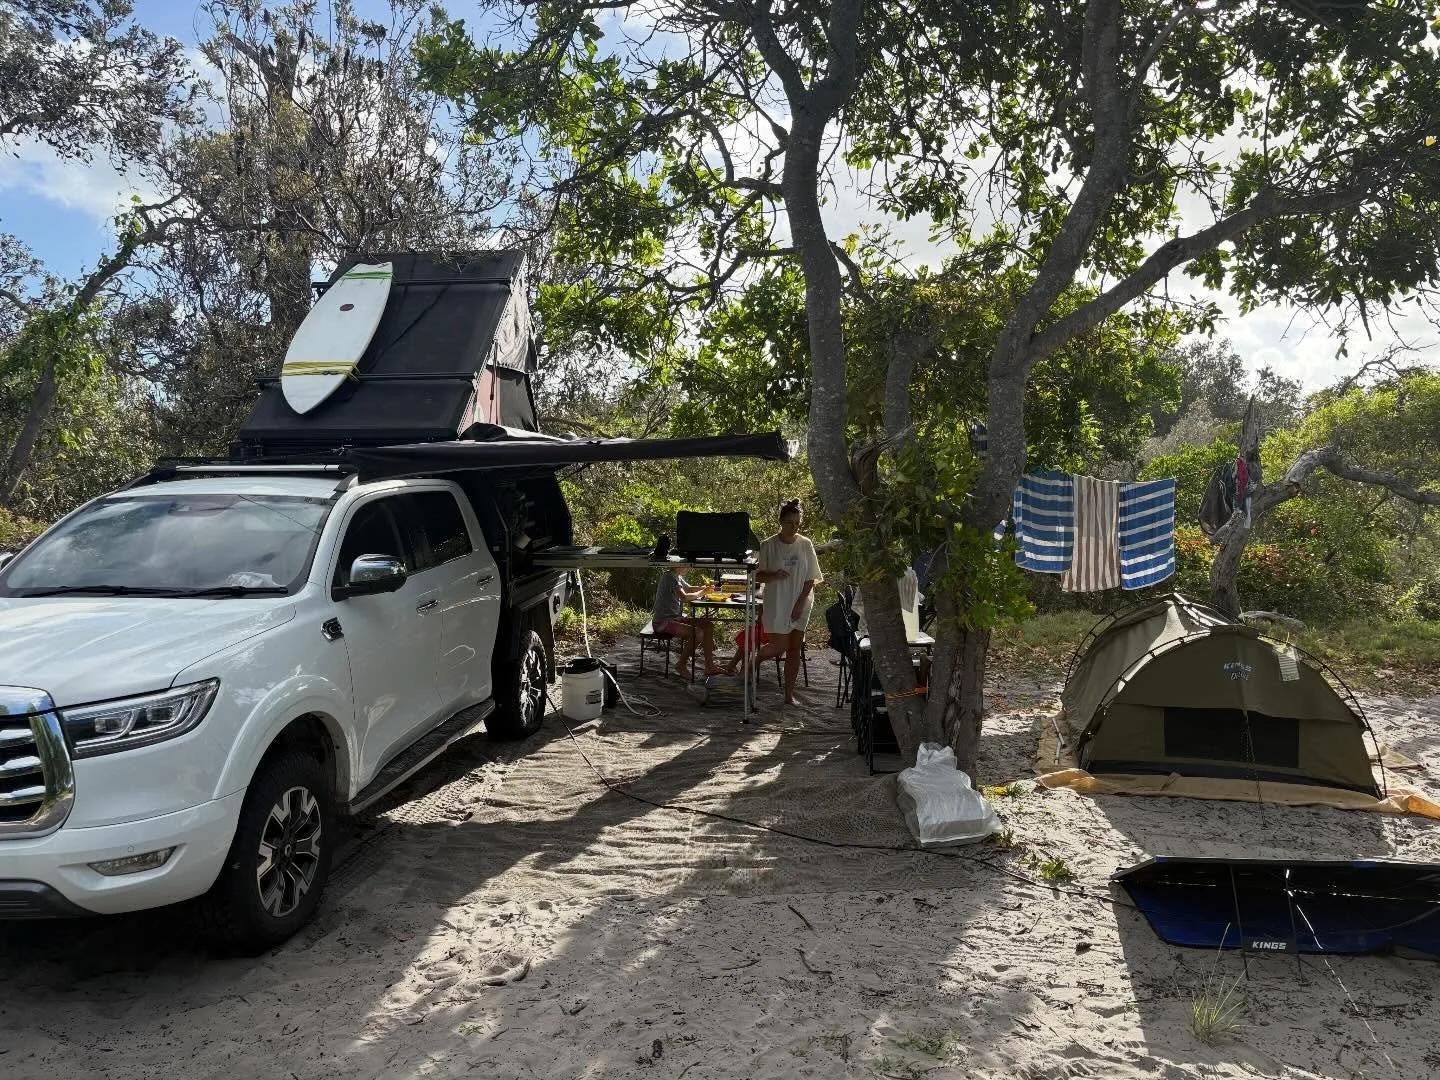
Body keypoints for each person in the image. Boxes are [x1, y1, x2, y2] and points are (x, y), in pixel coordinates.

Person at [749, 499, 823, 705]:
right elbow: (756, 576)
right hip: (776, 602)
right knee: (779, 646)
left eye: (797, 524)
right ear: (781, 521)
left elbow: (811, 577)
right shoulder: (767, 545)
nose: (794, 527)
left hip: (801, 602)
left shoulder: (805, 544)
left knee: (794, 649)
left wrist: (800, 602)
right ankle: (755, 660)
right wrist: (774, 574)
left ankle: (788, 695)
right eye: (790, 523)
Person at [651, 563, 720, 679]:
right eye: (687, 566)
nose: (689, 568)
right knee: (697, 632)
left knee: (708, 625)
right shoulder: (669, 577)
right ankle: (681, 664)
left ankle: (709, 665)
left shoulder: (676, 577)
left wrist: (707, 588)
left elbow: (689, 588)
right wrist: (703, 592)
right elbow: (684, 597)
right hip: (662, 622)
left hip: (675, 618)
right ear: (678, 566)